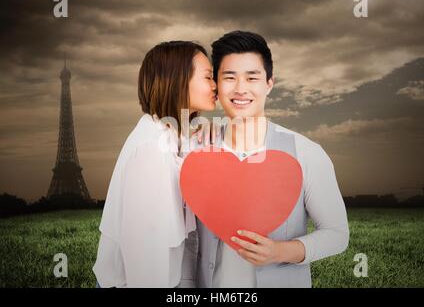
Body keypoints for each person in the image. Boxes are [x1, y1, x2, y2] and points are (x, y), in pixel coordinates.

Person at [195, 31, 349, 288]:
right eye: (229, 78)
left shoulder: (306, 152)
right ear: (217, 85)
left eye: (252, 77)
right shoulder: (197, 150)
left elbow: (337, 234)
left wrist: (281, 251)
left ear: (269, 83)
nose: (241, 89)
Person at [93, 40, 217, 287]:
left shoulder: (169, 136)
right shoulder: (152, 148)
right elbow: (145, 252)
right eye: (208, 77)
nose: (216, 85)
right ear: (177, 81)